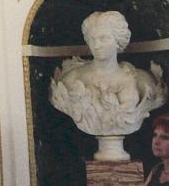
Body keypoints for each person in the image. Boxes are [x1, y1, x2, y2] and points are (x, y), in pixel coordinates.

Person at [50, 10, 165, 159]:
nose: (96, 45)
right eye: (92, 39)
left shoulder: (143, 80)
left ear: (118, 39)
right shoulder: (71, 80)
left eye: (103, 38)